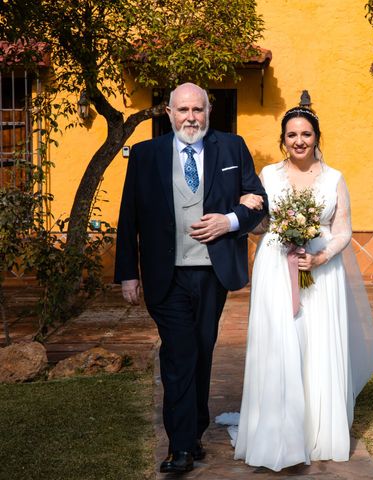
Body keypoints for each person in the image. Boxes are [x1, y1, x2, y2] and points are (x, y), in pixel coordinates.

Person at [114, 82, 268, 474]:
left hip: (213, 274)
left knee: (201, 351)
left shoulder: (231, 148)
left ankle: (194, 431)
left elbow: (257, 200)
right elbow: (128, 215)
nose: (190, 117)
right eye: (182, 110)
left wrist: (229, 220)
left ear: (208, 112)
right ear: (168, 114)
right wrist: (128, 273)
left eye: (197, 110)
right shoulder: (146, 155)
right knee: (178, 353)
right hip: (166, 276)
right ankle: (179, 447)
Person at [230, 106, 373, 471]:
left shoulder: (334, 178)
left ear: (317, 138)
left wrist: (320, 257)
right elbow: (260, 226)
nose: (299, 141)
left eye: (306, 134)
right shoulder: (267, 175)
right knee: (280, 340)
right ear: (283, 140)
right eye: (292, 135)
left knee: (316, 342)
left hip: (320, 273)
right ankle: (277, 428)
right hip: (275, 267)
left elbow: (343, 230)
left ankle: (317, 429)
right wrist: (247, 209)